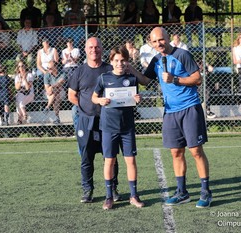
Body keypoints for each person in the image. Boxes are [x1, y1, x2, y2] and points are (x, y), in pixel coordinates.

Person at [128, 27, 212, 208]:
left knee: (196, 151)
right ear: (151, 43)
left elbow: (198, 79)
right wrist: (130, 68)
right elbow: (145, 80)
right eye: (155, 41)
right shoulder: (156, 59)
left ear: (168, 38)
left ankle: (206, 192)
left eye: (161, 39)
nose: (159, 44)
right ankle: (182, 192)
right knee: (176, 152)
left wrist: (175, 79)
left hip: (189, 108)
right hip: (170, 112)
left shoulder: (182, 55)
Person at [68, 37, 121, 203]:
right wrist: (85, 108)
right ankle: (87, 190)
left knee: (110, 157)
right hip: (86, 122)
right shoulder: (79, 71)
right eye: (91, 47)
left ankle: (113, 189)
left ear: (102, 49)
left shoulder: (109, 69)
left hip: (107, 121)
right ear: (85, 49)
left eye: (97, 47)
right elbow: (71, 95)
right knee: (86, 158)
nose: (94, 50)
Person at [91, 45, 144, 210]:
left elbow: (134, 98)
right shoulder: (103, 78)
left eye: (123, 60)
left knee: (131, 161)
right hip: (108, 127)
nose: (120, 63)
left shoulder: (132, 79)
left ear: (127, 61)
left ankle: (133, 195)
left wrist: (137, 99)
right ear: (111, 61)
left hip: (127, 127)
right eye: (116, 60)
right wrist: (100, 101)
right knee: (109, 161)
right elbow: (94, 97)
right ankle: (108, 197)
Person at [14, 60, 34, 125]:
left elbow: (28, 88)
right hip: (21, 95)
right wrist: (20, 80)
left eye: (22, 66)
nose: (21, 68)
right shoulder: (17, 76)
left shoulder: (29, 75)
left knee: (19, 101)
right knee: (19, 100)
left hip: (29, 94)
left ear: (25, 66)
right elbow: (17, 88)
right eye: (19, 66)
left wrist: (24, 79)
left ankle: (20, 118)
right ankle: (24, 116)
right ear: (18, 68)